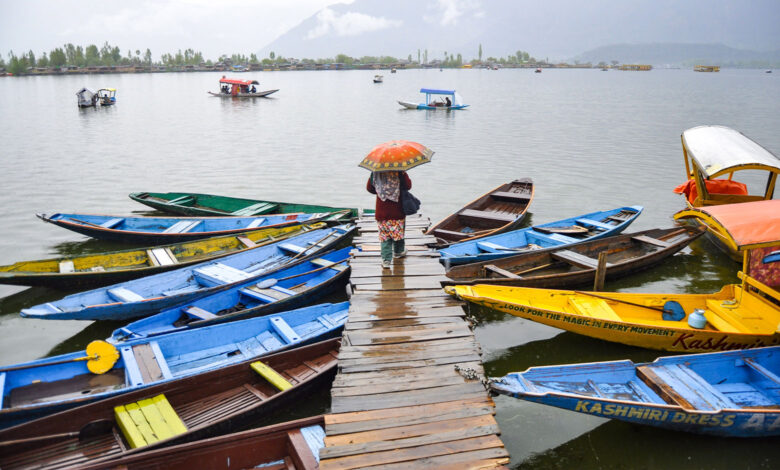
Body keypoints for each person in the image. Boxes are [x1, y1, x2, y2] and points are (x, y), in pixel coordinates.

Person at [367, 170, 411, 269]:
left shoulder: (375, 172)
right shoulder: (400, 171)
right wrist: (404, 174)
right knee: (398, 232)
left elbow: (369, 188)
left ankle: (386, 261)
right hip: (397, 210)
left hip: (381, 210)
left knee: (385, 236)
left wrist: (380, 190)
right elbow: (408, 186)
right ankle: (398, 251)